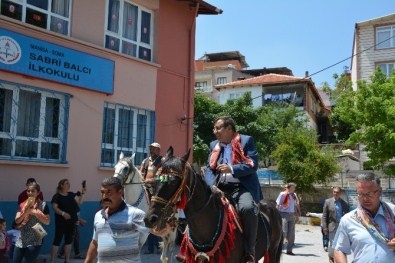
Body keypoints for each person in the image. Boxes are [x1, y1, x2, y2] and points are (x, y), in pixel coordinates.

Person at [204, 116, 262, 263]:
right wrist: (212, 186)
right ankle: (194, 247)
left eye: (218, 128)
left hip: (241, 187)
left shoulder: (246, 141)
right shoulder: (213, 145)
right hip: (219, 187)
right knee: (199, 206)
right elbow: (210, 169)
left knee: (248, 209)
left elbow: (252, 165)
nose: (214, 131)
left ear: (229, 129)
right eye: (214, 128)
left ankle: (250, 251)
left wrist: (231, 168)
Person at [333, 172, 395, 263]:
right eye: (361, 194)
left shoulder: (393, 212)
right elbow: (339, 249)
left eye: (369, 194)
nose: (365, 199)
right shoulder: (348, 220)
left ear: (380, 191)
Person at [84, 177, 149, 263]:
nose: (104, 196)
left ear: (120, 192)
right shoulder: (98, 215)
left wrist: (167, 228)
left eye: (109, 192)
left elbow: (155, 231)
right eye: (102, 192)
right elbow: (95, 242)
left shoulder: (136, 214)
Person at [13, 181, 50, 263]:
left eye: (33, 191)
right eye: (28, 191)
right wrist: (25, 213)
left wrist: (35, 213)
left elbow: (47, 222)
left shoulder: (43, 205)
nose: (30, 193)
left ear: (38, 193)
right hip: (22, 238)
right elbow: (17, 221)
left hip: (35, 239)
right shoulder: (22, 205)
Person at [50, 179, 86, 263]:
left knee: (68, 241)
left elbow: (80, 202)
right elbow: (54, 207)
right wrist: (63, 213)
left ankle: (67, 260)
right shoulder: (57, 196)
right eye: (66, 183)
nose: (68, 184)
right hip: (60, 222)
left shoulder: (71, 195)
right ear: (61, 185)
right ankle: (52, 261)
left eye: (69, 183)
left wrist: (83, 193)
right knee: (57, 241)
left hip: (71, 222)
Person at [140, 142, 162, 254]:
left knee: (153, 218)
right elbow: (141, 173)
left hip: (157, 190)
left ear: (158, 150)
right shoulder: (145, 161)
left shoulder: (162, 161)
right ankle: (151, 248)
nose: (151, 150)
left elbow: (164, 177)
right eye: (150, 148)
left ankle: (158, 246)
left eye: (153, 149)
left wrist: (153, 180)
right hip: (145, 189)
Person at [322, 186, 349, 263]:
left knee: (341, 244)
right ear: (332, 192)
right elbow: (324, 216)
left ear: (340, 193)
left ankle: (339, 259)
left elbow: (347, 216)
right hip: (332, 226)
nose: (335, 193)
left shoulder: (344, 203)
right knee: (333, 243)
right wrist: (325, 227)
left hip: (342, 227)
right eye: (334, 192)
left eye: (337, 192)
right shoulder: (328, 202)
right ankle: (331, 257)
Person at [276, 182, 300, 256]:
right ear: (289, 188)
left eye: (294, 188)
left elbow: (296, 204)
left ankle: (289, 250)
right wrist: (276, 215)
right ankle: (278, 248)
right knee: (284, 232)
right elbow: (277, 204)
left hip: (291, 215)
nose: (294, 189)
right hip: (283, 214)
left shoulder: (294, 195)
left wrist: (298, 213)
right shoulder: (282, 194)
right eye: (293, 188)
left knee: (291, 234)